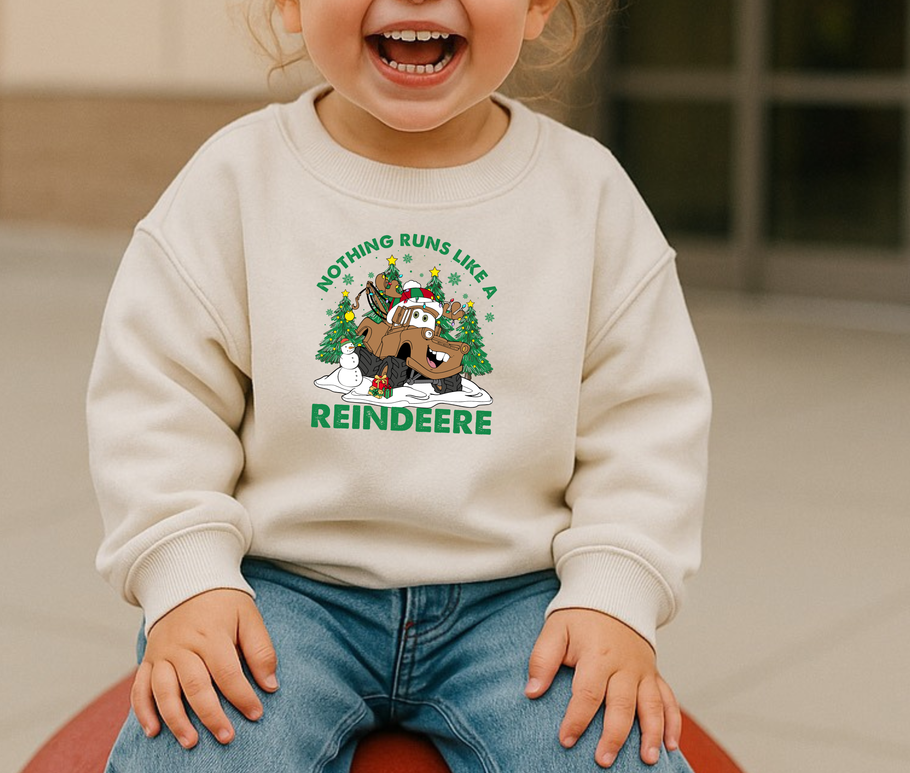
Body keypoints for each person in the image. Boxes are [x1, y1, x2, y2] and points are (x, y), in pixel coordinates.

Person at [87, 0, 712, 770]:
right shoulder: (234, 183)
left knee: (606, 750)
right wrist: (186, 575)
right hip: (282, 590)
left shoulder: (590, 197)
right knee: (202, 744)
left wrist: (614, 591)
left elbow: (646, 423)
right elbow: (157, 397)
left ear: (539, 6)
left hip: (520, 601)